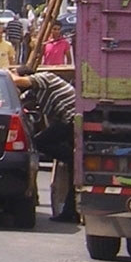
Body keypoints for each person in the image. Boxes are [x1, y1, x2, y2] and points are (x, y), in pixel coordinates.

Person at [12, 65, 79, 222]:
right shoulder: (35, 93)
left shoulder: (44, 78)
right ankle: (70, 212)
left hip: (73, 120)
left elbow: (17, 80)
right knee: (73, 173)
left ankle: (70, 157)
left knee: (39, 142)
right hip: (69, 123)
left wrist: (5, 72)